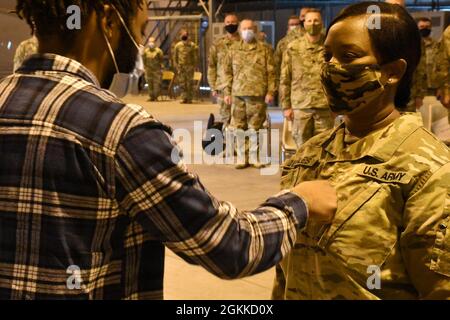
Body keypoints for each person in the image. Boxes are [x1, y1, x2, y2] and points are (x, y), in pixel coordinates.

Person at [0, 0, 337, 300]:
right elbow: (229, 246)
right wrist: (300, 202)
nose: (141, 40)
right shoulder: (119, 130)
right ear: (107, 18)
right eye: (140, 27)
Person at [273, 1, 450, 300]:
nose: (331, 67)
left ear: (392, 72)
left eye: (348, 56)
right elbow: (284, 275)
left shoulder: (428, 170)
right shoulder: (307, 156)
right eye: (327, 55)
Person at [224, 19, 276, 169]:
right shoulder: (233, 49)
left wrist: (271, 91)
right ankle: (241, 157)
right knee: (239, 127)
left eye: (250, 28)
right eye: (244, 28)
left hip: (257, 94)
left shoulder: (265, 49)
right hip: (237, 94)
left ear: (255, 29)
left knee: (256, 127)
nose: (247, 31)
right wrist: (227, 92)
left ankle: (254, 156)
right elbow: (227, 72)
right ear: (240, 30)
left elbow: (271, 72)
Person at [280, 9, 333, 148]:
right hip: (301, 106)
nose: (313, 23)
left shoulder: (330, 47)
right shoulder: (293, 47)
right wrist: (286, 106)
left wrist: (337, 105)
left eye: (316, 20)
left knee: (325, 147)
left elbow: (336, 77)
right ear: (304, 23)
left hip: (324, 106)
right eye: (309, 20)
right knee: (302, 148)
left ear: (322, 23)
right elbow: (285, 78)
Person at [207, 13, 240, 127]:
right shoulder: (217, 44)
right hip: (222, 87)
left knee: (239, 118)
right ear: (224, 25)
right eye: (228, 22)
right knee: (226, 118)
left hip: (240, 87)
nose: (230, 24)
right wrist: (212, 86)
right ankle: (228, 142)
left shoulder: (243, 43)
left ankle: (239, 143)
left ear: (238, 23)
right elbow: (212, 66)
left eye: (233, 22)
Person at [274, 15, 303, 91]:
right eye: (292, 25)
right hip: (286, 81)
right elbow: (276, 65)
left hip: (302, 81)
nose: (295, 27)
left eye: (297, 24)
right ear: (288, 26)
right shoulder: (282, 43)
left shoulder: (305, 42)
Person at [172, 29, 198, 104]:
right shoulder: (178, 46)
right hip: (181, 67)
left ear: (188, 35)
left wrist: (195, 66)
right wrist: (176, 66)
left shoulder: (192, 45)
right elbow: (175, 57)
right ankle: (184, 98)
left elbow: (195, 57)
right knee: (182, 83)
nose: (184, 36)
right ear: (180, 35)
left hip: (190, 67)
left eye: (185, 34)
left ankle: (189, 98)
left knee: (189, 83)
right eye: (182, 34)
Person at [142, 37, 164, 101]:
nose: (151, 43)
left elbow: (161, 60)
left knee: (156, 84)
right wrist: (144, 68)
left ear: (155, 42)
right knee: (150, 84)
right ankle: (151, 97)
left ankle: (156, 97)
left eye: (152, 42)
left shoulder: (159, 51)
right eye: (150, 42)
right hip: (148, 70)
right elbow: (144, 60)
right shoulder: (146, 51)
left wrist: (161, 68)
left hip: (156, 70)